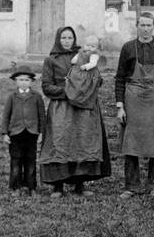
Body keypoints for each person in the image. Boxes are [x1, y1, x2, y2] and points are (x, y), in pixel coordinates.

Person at [39, 26, 112, 197]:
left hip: (83, 107)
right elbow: (46, 87)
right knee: (60, 143)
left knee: (82, 143)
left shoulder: (83, 56)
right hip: (61, 108)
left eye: (70, 38)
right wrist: (69, 91)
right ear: (58, 39)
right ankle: (58, 185)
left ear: (74, 40)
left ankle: (80, 184)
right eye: (63, 38)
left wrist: (87, 86)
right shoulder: (51, 60)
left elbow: (97, 78)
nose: (66, 41)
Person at [113, 11, 154, 197]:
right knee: (131, 141)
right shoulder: (127, 48)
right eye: (142, 25)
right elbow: (119, 79)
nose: (146, 28)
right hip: (133, 98)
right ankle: (131, 186)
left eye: (149, 25)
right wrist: (120, 106)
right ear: (137, 26)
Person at [2, 65, 44, 196]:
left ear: (31, 82)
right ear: (15, 81)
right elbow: (6, 116)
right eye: (20, 80)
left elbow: (42, 115)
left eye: (26, 80)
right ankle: (16, 187)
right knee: (16, 160)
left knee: (30, 160)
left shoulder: (36, 97)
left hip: (32, 133)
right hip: (16, 134)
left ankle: (31, 186)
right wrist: (5, 133)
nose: (23, 82)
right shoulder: (12, 97)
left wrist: (41, 132)